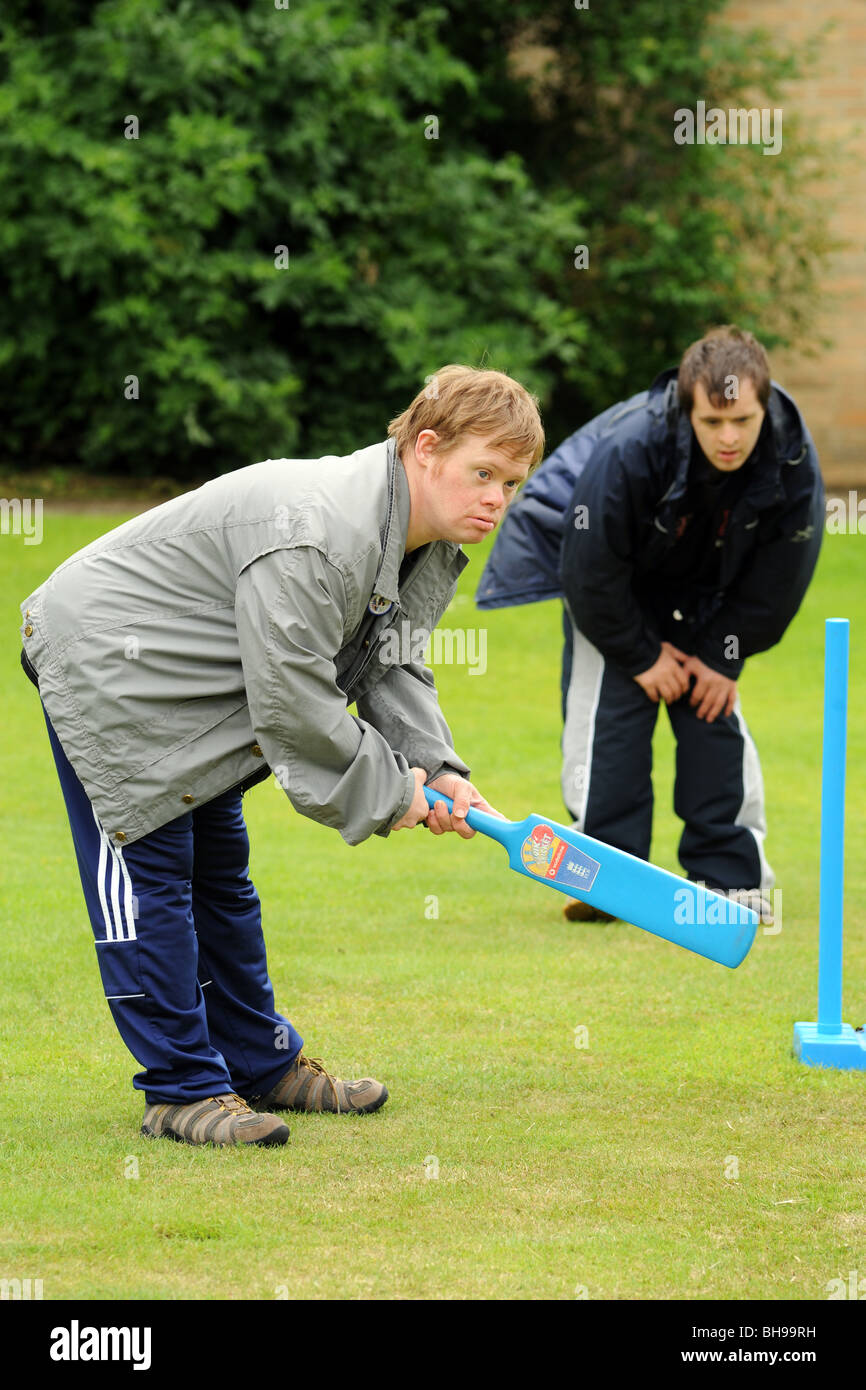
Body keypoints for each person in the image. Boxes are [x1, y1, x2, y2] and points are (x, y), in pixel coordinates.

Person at [20, 364, 544, 1148]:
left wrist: (438, 770)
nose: (497, 500)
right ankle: (181, 1090)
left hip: (200, 688)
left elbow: (390, 659)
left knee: (221, 873)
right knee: (151, 871)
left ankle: (260, 1063)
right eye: (484, 474)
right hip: (106, 663)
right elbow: (292, 703)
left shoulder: (414, 532)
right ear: (426, 448)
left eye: (512, 482)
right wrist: (393, 792)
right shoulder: (323, 532)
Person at [477, 326, 824, 925]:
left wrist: (722, 656)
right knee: (611, 717)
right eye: (712, 423)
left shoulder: (792, 454)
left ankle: (734, 882)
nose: (730, 437)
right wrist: (640, 656)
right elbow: (589, 569)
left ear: (764, 405)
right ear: (687, 408)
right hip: (609, 582)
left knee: (713, 709)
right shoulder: (631, 446)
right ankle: (604, 880)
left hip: (708, 586)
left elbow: (783, 572)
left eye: (742, 419)